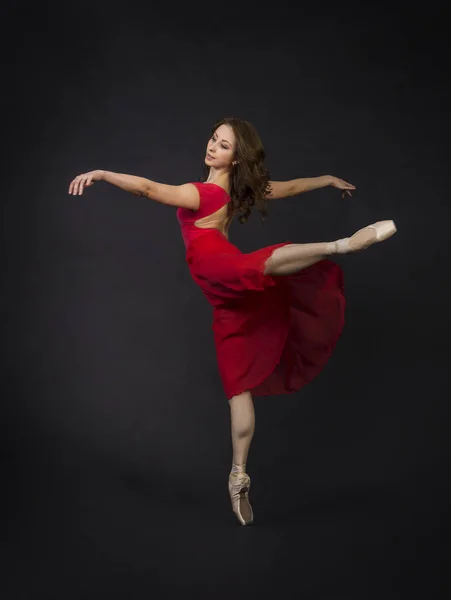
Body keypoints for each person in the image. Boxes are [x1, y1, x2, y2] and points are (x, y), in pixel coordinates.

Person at [68, 117, 396, 526]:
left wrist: (102, 173)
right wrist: (326, 178)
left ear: (235, 156)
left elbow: (149, 189)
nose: (212, 147)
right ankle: (238, 475)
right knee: (237, 383)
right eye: (212, 139)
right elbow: (288, 188)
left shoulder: (202, 193)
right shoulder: (240, 190)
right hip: (223, 300)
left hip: (218, 267)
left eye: (223, 145)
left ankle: (341, 245)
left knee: (252, 266)